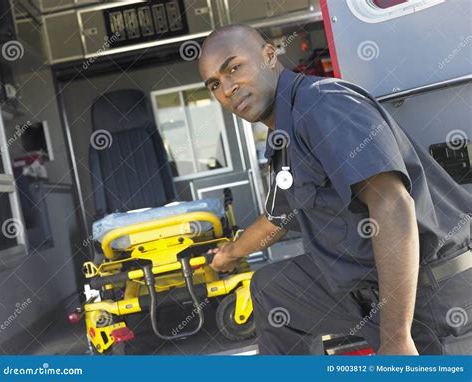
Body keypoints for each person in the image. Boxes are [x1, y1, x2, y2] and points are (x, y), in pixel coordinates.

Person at [198, 24, 471, 355]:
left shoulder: (323, 106)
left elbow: (393, 205)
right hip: (362, 288)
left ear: (269, 56)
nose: (227, 88)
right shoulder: (285, 135)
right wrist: (229, 254)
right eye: (214, 84)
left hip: (426, 293)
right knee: (274, 290)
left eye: (234, 68)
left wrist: (396, 338)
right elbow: (276, 219)